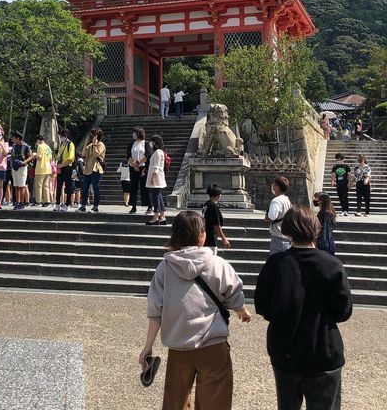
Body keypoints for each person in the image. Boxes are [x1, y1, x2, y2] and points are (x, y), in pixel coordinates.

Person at [139, 210, 251, 410]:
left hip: (179, 346)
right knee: (216, 401)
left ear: (175, 235)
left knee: (176, 402)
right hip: (212, 344)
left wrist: (148, 346)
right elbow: (233, 292)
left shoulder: (165, 267)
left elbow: (156, 310)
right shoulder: (217, 263)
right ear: (201, 235)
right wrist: (241, 311)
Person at [254, 206, 353, 410]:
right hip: (323, 349)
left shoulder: (276, 264)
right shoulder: (332, 265)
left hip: (285, 349)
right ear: (316, 228)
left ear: (287, 230)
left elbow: (263, 306)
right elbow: (343, 311)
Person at [79, 128, 106, 213]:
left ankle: (95, 206)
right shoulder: (89, 145)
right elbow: (83, 154)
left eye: (93, 135)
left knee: (95, 187)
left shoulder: (101, 145)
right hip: (88, 169)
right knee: (85, 188)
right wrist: (86, 143)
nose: (91, 136)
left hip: (96, 169)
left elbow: (96, 154)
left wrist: (94, 145)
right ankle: (83, 206)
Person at [266, 175, 292, 254]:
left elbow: (272, 217)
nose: (273, 187)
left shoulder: (276, 201)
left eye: (274, 185)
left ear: (277, 187)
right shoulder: (287, 200)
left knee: (275, 259)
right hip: (287, 237)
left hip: (278, 237)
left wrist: (267, 218)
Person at [202, 184, 231, 253]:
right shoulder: (213, 206)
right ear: (218, 195)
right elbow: (216, 225)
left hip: (205, 236)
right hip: (211, 238)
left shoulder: (206, 204)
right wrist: (224, 239)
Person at [146, 135, 167, 225]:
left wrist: (153, 177)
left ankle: (156, 217)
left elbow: (156, 166)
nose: (151, 143)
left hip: (157, 178)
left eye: (152, 141)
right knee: (159, 197)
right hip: (158, 177)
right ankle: (162, 216)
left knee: (156, 197)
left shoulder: (158, 152)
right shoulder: (160, 152)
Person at [54, 128, 76, 212]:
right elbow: (58, 156)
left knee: (68, 186)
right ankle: (57, 204)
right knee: (59, 186)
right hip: (60, 167)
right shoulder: (62, 144)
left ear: (66, 136)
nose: (61, 138)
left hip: (67, 167)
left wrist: (61, 165)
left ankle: (67, 204)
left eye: (62, 136)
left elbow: (70, 159)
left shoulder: (71, 144)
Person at [128, 126, 149, 215]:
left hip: (143, 167)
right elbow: (128, 156)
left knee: (145, 187)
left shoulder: (146, 143)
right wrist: (133, 164)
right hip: (133, 168)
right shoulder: (131, 144)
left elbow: (147, 156)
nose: (133, 134)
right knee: (133, 187)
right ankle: (133, 206)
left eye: (135, 133)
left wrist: (137, 162)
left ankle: (149, 206)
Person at [10, 131, 33, 210]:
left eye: (13, 138)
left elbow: (30, 157)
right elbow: (12, 156)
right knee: (16, 185)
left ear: (18, 138)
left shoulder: (25, 146)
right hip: (15, 167)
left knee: (22, 186)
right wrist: (12, 163)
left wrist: (23, 162)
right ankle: (17, 201)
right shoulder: (13, 146)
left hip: (22, 167)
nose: (12, 139)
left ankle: (22, 203)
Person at [33, 135, 52, 207]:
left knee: (39, 185)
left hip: (40, 168)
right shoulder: (48, 147)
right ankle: (47, 201)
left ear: (38, 140)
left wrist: (34, 155)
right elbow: (50, 158)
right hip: (48, 168)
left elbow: (39, 157)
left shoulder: (40, 146)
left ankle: (38, 201)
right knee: (46, 186)